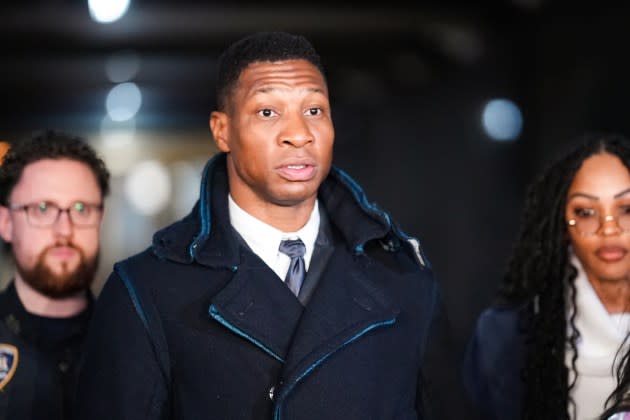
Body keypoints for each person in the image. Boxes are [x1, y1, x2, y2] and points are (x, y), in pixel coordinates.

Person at [75, 31, 458, 419]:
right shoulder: (146, 291)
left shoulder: (404, 281)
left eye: (314, 111)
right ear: (222, 130)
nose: (298, 134)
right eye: (267, 112)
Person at [464, 133, 630, 420]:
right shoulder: (506, 339)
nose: (609, 228)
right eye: (587, 211)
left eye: (627, 209)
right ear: (561, 223)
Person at [0, 130, 110, 420]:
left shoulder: (137, 344)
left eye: (80, 208)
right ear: (6, 223)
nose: (64, 230)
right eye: (43, 208)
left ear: (100, 219)